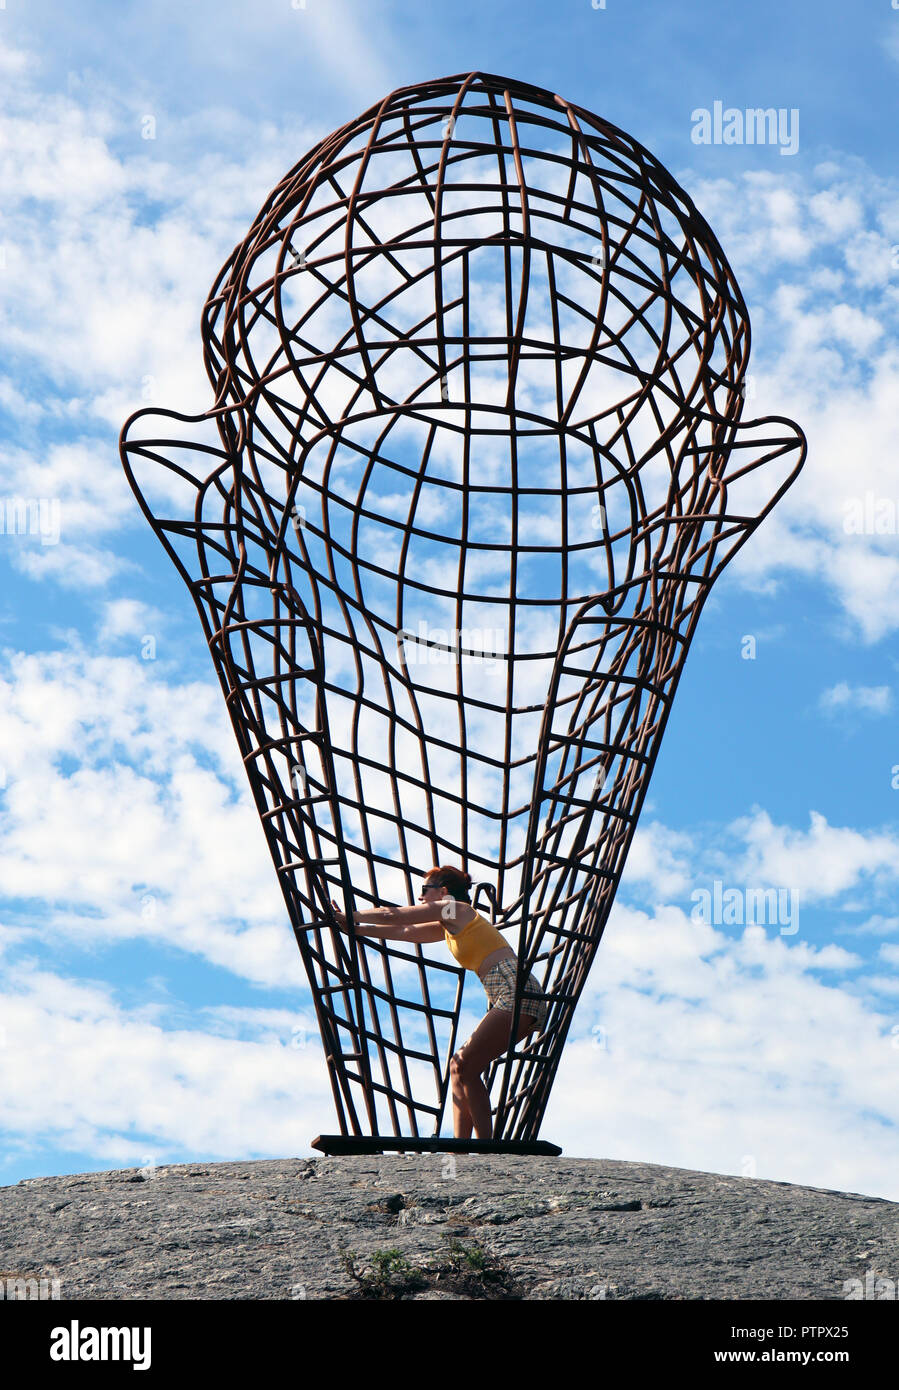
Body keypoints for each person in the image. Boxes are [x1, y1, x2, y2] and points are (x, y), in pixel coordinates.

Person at [330, 866, 548, 1140]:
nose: (420, 898)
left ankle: (488, 1147)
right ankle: (460, 1148)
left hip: (514, 989)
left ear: (443, 892)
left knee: (465, 1064)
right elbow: (408, 930)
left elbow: (394, 914)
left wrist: (349, 915)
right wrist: (358, 929)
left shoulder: (455, 909)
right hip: (506, 993)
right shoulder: (449, 923)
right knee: (459, 1068)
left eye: (424, 890)